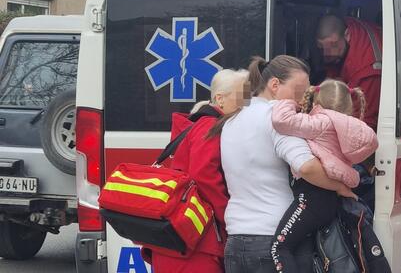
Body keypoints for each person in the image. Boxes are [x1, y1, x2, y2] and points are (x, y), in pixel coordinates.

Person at [220, 55, 356, 273]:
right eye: (298, 91)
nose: (303, 100)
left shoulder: (232, 120)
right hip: (277, 239)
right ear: (275, 85)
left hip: (235, 241)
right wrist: (340, 186)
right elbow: (306, 166)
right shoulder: (278, 120)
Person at [270, 79, 378, 273]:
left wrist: (289, 100)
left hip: (311, 199)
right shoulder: (350, 130)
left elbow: (281, 121)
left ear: (317, 100)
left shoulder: (320, 123)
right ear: (349, 105)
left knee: (279, 247)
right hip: (327, 200)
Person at [150, 69, 249, 273]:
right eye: (243, 96)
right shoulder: (211, 127)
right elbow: (204, 177)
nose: (247, 104)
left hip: (182, 239)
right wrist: (231, 219)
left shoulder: (199, 124)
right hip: (198, 243)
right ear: (220, 99)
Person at [315, 15, 382, 130]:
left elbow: (366, 122)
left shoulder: (368, 68)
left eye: (333, 44)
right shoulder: (342, 28)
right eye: (321, 46)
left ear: (347, 35)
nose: (327, 53)